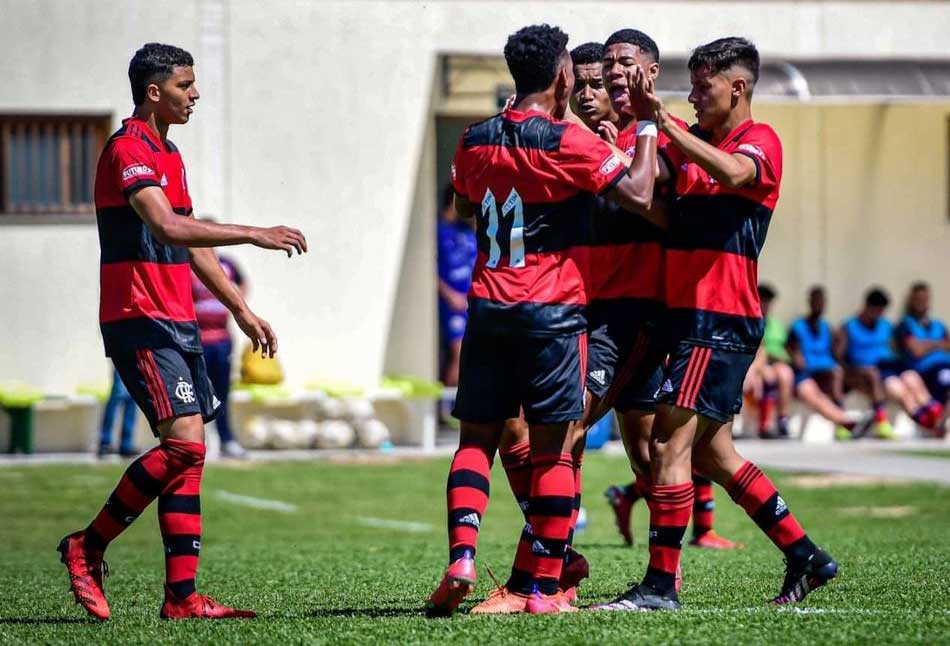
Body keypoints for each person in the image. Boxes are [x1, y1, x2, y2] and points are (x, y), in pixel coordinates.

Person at [56, 43, 307, 622]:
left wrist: (241, 310)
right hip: (139, 317)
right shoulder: (127, 150)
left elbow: (188, 243)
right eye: (185, 86)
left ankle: (182, 598)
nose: (195, 95)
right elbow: (166, 224)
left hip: (178, 320)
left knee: (191, 457)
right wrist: (253, 233)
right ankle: (86, 545)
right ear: (154, 92)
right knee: (185, 445)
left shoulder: (169, 153)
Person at [596, 37, 838, 612]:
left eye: (704, 87)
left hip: (717, 318)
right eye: (692, 86)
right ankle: (805, 555)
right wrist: (617, 165)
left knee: (666, 442)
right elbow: (661, 211)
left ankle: (660, 586)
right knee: (712, 456)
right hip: (684, 319)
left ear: (739, 87)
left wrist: (665, 125)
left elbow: (733, 173)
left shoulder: (759, 142)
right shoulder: (693, 143)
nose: (694, 97)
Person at [426, 23, 660, 617]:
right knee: (555, 452)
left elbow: (462, 203)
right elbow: (637, 190)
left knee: (476, 442)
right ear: (561, 74)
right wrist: (649, 126)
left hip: (488, 308)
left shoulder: (474, 140)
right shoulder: (567, 142)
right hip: (553, 313)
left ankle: (462, 557)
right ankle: (545, 591)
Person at [579, 29, 738, 552]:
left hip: (637, 312)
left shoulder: (665, 136)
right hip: (595, 308)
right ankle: (664, 564)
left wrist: (616, 173)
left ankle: (550, 566)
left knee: (566, 425)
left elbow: (667, 214)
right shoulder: (605, 136)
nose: (613, 73)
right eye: (607, 65)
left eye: (624, 63)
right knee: (651, 454)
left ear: (649, 70)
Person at [837, 288, 934, 438]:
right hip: (867, 372)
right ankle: (887, 421)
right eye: (877, 310)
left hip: (890, 367)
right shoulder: (849, 327)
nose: (879, 314)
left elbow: (897, 349)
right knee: (896, 388)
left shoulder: (886, 326)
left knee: (911, 377)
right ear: (867, 307)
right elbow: (839, 357)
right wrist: (854, 371)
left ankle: (935, 413)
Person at [787, 286, 867, 440]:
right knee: (814, 395)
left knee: (836, 373)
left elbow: (836, 354)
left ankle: (845, 421)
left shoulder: (827, 328)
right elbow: (796, 358)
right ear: (810, 302)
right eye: (816, 301)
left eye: (822, 302)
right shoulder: (798, 327)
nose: (820, 305)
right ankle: (846, 423)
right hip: (804, 375)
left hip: (824, 374)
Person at [191, 250, 248, 458]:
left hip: (222, 339)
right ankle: (197, 441)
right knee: (198, 393)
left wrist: (236, 305)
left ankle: (227, 440)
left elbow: (242, 282)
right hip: (198, 339)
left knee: (222, 392)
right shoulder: (190, 261)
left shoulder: (226, 263)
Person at [436, 183, 477, 423]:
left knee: (471, 354)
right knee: (458, 353)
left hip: (472, 302)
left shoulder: (467, 231)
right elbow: (430, 269)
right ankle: (444, 407)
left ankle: (461, 404)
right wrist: (449, 294)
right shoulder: (438, 231)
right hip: (453, 303)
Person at [741, 283, 794, 437]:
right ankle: (764, 425)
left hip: (774, 362)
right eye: (763, 301)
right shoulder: (749, 321)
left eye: (768, 302)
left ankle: (783, 419)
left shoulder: (775, 325)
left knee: (785, 374)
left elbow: (784, 350)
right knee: (767, 376)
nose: (766, 305)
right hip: (756, 362)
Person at [895, 282, 948, 430]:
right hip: (925, 371)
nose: (921, 302)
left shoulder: (938, 324)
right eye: (918, 299)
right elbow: (916, 350)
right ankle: (939, 422)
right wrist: (938, 344)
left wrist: (925, 345)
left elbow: (948, 345)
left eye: (925, 298)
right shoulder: (905, 324)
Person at [97, 369, 139, 458]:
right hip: (123, 357)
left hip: (137, 360)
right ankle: (105, 442)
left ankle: (125, 444)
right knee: (117, 396)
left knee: (132, 398)